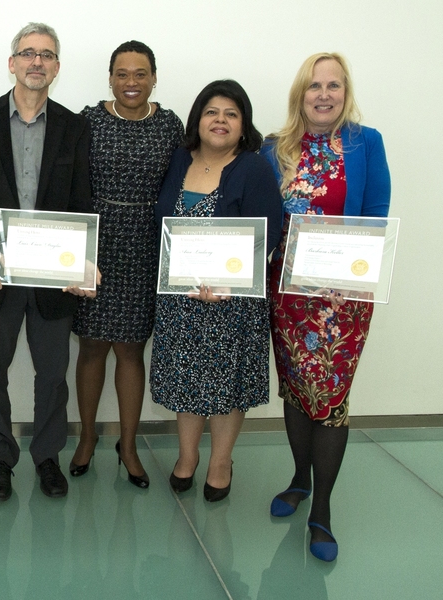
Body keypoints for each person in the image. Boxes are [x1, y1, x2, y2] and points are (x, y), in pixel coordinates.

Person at [0, 22, 94, 501]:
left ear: (57, 66)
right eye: (28, 53)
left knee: (52, 375)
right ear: (12, 63)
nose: (37, 62)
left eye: (46, 55)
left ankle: (47, 456)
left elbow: (82, 201)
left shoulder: (75, 127)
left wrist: (83, 261)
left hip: (54, 276)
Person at [263, 53, 391, 562]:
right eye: (314, 85)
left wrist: (351, 269)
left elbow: (376, 216)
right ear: (301, 93)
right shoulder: (274, 147)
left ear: (345, 92)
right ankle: (299, 478)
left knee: (331, 399)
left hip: (343, 299)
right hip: (288, 296)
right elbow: (262, 217)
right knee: (296, 391)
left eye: (333, 85)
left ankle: (322, 509)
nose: (323, 94)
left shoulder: (366, 142)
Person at [150, 80, 283, 501]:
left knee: (227, 385)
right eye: (212, 112)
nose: (220, 120)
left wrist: (229, 284)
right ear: (198, 119)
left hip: (233, 302)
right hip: (180, 299)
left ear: (243, 124)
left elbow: (268, 234)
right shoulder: (178, 159)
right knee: (186, 379)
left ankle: (221, 461)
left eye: (231, 114)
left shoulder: (253, 168)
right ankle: (187, 456)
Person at [70, 40, 184, 488]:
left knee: (131, 349)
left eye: (140, 74)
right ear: (110, 78)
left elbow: (181, 184)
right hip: (94, 244)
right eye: (122, 73)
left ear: (154, 78)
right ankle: (87, 437)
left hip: (145, 245)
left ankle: (130, 445)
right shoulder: (87, 120)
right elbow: (70, 182)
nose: (131, 82)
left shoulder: (170, 125)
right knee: (92, 346)